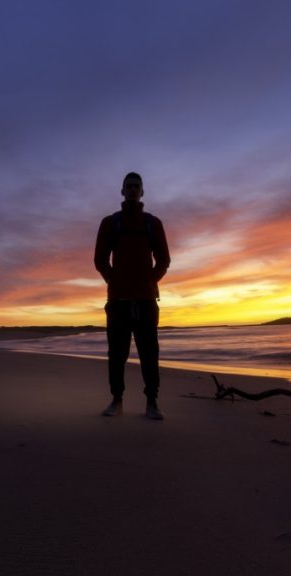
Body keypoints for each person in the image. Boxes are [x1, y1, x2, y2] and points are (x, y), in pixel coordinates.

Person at [93, 172, 171, 420]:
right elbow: (100, 259)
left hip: (147, 302)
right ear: (122, 190)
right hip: (118, 302)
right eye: (129, 186)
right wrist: (114, 281)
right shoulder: (110, 223)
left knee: (150, 353)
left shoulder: (153, 223)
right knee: (117, 354)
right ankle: (116, 400)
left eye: (137, 186)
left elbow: (164, 259)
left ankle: (152, 402)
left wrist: (149, 281)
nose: (133, 189)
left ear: (143, 192)